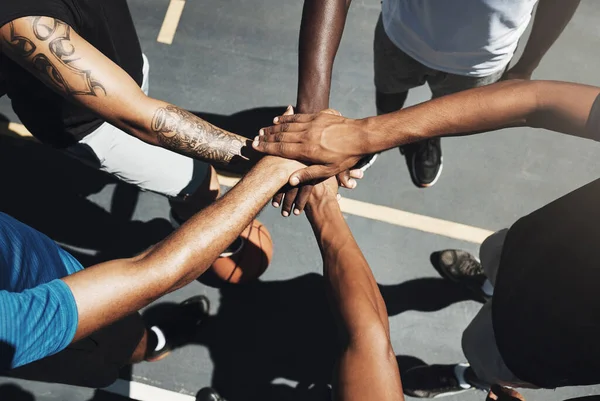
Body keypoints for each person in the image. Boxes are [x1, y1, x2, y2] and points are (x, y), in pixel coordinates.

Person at [253, 79, 600, 396]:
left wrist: (321, 198)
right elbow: (537, 100)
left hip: (538, 343)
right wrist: (362, 135)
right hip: (536, 250)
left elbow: (370, 343)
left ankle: (466, 377)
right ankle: (487, 284)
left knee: (489, 366)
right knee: (499, 257)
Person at [0, 153, 307, 387]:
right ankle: (156, 341)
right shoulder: (8, 328)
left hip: (39, 273)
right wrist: (272, 172)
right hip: (52, 326)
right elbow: (153, 273)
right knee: (119, 342)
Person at [0, 1, 254, 229]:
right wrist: (259, 156)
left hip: (127, 72)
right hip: (95, 127)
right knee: (202, 186)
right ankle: (186, 222)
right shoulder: (23, 22)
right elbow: (139, 116)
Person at [294, 0, 579, 192]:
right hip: (401, 33)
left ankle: (426, 137)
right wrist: (312, 120)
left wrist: (527, 65)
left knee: (441, 117)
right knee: (389, 96)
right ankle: (375, 134)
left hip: (483, 58)